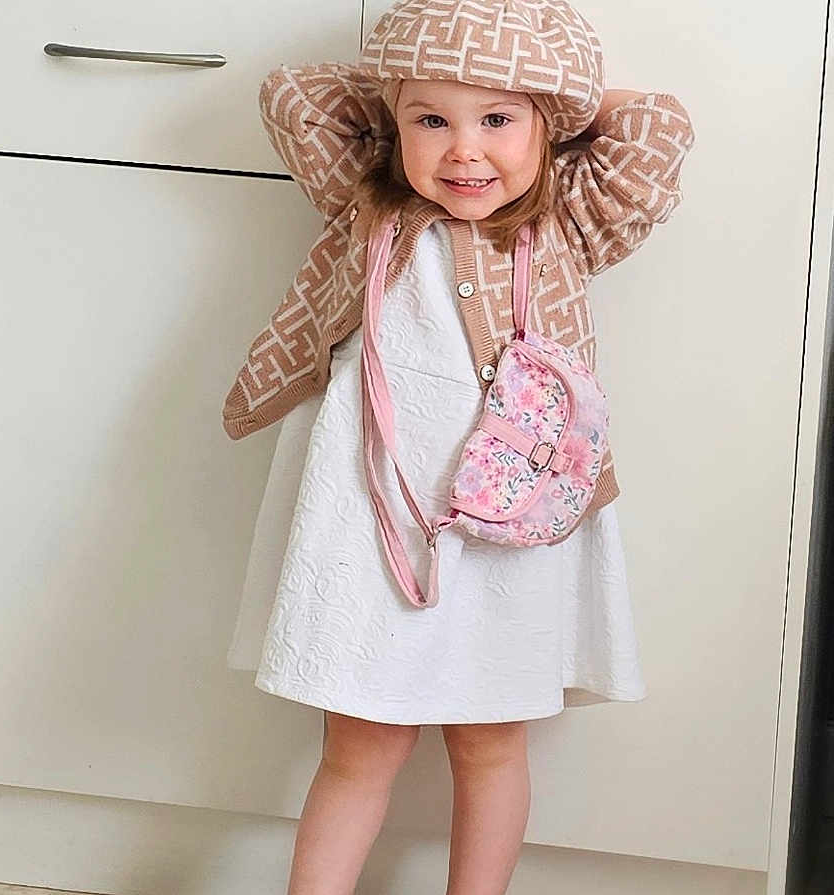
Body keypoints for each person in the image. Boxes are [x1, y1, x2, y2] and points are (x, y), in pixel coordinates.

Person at [221, 1, 696, 892]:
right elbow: (293, 93)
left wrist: (557, 100)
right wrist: (414, 83)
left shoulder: (568, 223)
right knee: (361, 737)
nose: (464, 151)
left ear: (544, 126)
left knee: (489, 736)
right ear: (393, 126)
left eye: (498, 120)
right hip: (374, 519)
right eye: (431, 121)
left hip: (509, 518)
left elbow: (656, 127)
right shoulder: (365, 201)